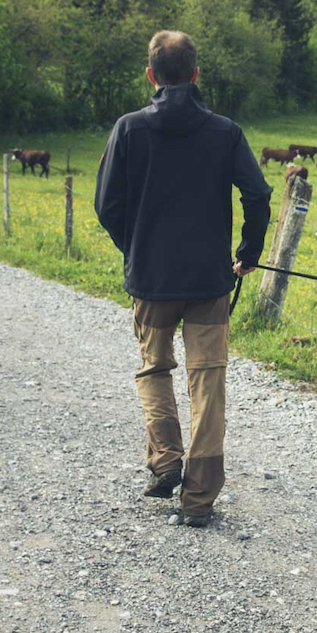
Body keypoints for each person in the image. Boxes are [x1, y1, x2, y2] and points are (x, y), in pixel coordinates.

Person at [96, 30, 272, 526]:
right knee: (208, 382)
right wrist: (248, 253)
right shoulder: (225, 132)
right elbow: (257, 196)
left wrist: (135, 248)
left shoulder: (128, 130)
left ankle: (167, 459)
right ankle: (198, 501)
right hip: (209, 281)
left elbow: (107, 205)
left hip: (150, 281)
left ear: (151, 76)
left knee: (154, 369)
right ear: (196, 74)